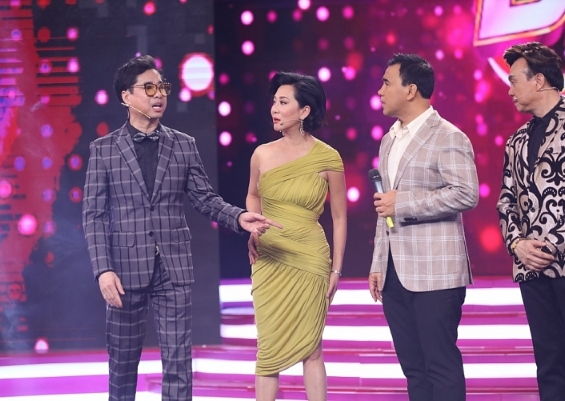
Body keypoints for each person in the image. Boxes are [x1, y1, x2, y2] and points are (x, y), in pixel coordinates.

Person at [82, 55, 281, 401]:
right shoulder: (103, 150)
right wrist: (103, 269)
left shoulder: (183, 144)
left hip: (173, 268)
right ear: (126, 96)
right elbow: (94, 215)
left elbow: (205, 198)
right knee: (122, 364)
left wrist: (238, 217)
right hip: (124, 270)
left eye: (162, 87)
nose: (159, 95)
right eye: (149, 88)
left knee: (178, 363)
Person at [368, 53, 479, 401]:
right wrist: (378, 263)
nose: (380, 91)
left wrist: (404, 203)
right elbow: (384, 206)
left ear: (411, 89)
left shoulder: (448, 136)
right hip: (394, 273)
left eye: (387, 83)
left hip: (435, 272)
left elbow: (466, 193)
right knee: (413, 369)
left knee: (440, 365)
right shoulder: (389, 139)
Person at [246, 71, 347, 401]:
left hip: (310, 259)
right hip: (269, 258)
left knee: (312, 348)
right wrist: (253, 227)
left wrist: (336, 269)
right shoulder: (261, 154)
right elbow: (252, 196)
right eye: (274, 102)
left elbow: (339, 217)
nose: (274, 109)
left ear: (304, 111)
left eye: (283, 102)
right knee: (268, 349)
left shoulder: (328, 157)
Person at [497, 42, 565, 401]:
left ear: (538, 80)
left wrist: (555, 244)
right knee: (549, 362)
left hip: (561, 261)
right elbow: (505, 201)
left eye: (514, 81)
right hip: (532, 270)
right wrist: (517, 244)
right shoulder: (516, 140)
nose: (509, 90)